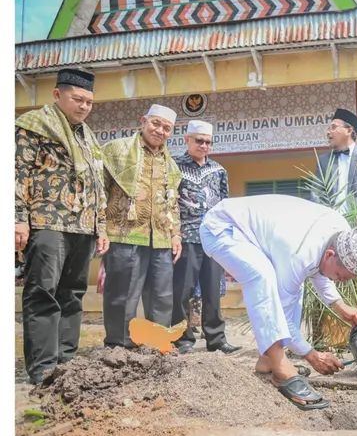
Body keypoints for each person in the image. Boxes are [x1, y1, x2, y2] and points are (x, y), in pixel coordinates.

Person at [200, 195, 357, 410]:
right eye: (341, 276)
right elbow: (282, 319)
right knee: (262, 277)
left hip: (258, 234)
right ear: (331, 254)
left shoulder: (339, 233)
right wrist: (312, 355)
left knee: (295, 286)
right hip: (223, 227)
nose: (339, 281)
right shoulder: (298, 254)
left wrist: (340, 306)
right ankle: (280, 368)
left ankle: (267, 362)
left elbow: (320, 270)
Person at [15, 68, 109, 384]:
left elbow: (97, 184)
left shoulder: (88, 136)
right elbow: (17, 174)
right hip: (47, 223)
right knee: (43, 294)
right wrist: (18, 218)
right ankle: (42, 369)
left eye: (89, 102)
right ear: (57, 95)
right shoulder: (32, 127)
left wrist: (101, 226)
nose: (84, 107)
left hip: (82, 227)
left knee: (72, 296)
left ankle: (65, 364)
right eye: (78, 99)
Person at [100, 104, 183, 348]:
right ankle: (118, 348)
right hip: (125, 235)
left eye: (167, 128)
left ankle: (156, 349)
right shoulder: (116, 151)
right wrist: (100, 228)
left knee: (162, 297)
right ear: (143, 121)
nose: (160, 130)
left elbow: (173, 204)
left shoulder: (172, 164)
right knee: (122, 296)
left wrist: (176, 234)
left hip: (161, 239)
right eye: (156, 124)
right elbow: (101, 192)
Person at [171, 120, 240, 354]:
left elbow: (224, 204)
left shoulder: (219, 171)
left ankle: (216, 339)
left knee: (212, 291)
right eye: (199, 141)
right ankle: (182, 338)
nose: (204, 145)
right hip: (185, 236)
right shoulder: (174, 166)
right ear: (187, 140)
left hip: (212, 239)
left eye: (208, 142)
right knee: (183, 290)